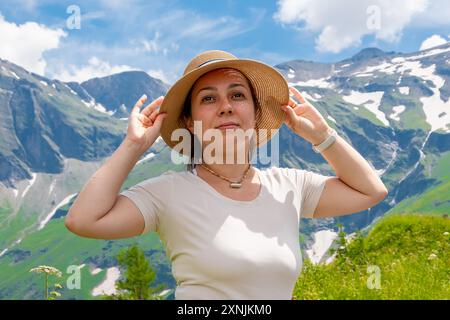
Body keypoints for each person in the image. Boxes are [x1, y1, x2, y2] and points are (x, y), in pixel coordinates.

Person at [65, 50, 388, 300]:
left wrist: (322, 135)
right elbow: (83, 221)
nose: (226, 106)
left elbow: (370, 192)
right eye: (208, 98)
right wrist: (134, 145)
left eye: (237, 95)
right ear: (190, 122)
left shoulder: (290, 185)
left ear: (256, 113)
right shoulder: (166, 193)